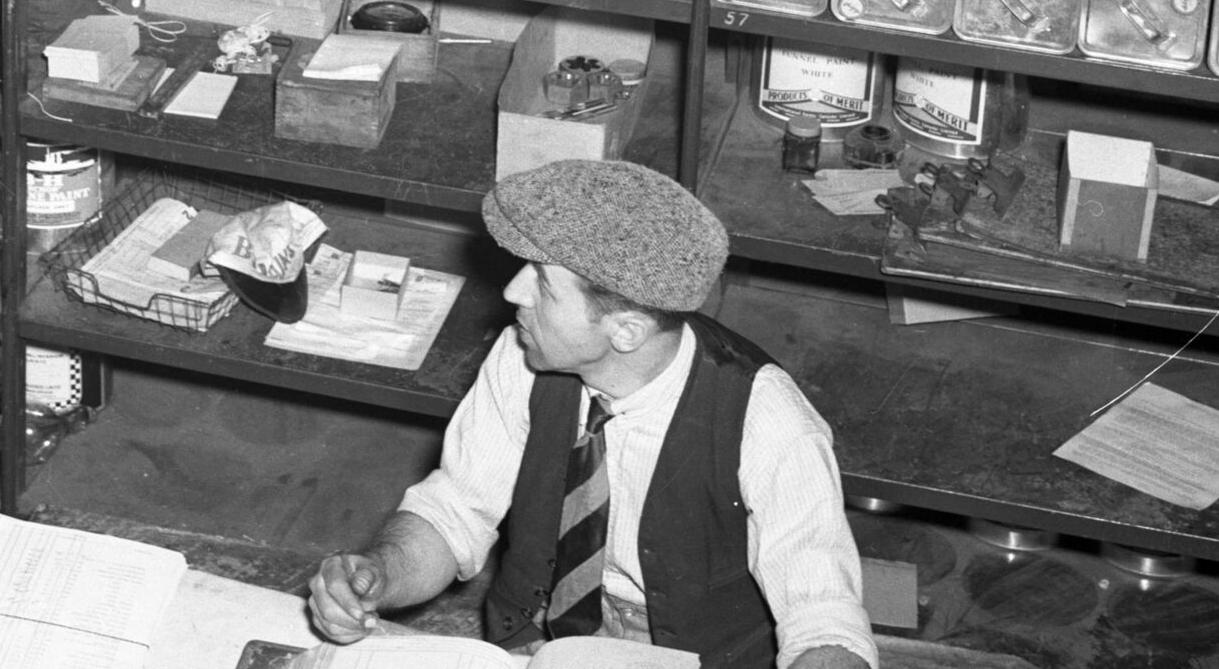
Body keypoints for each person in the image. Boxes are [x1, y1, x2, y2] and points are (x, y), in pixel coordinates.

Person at [309, 160, 874, 669]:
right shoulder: (522, 356)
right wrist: (377, 576)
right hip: (538, 642)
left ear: (625, 330)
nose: (512, 291)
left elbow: (823, 618)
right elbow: (455, 511)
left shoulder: (769, 422)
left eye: (543, 284)